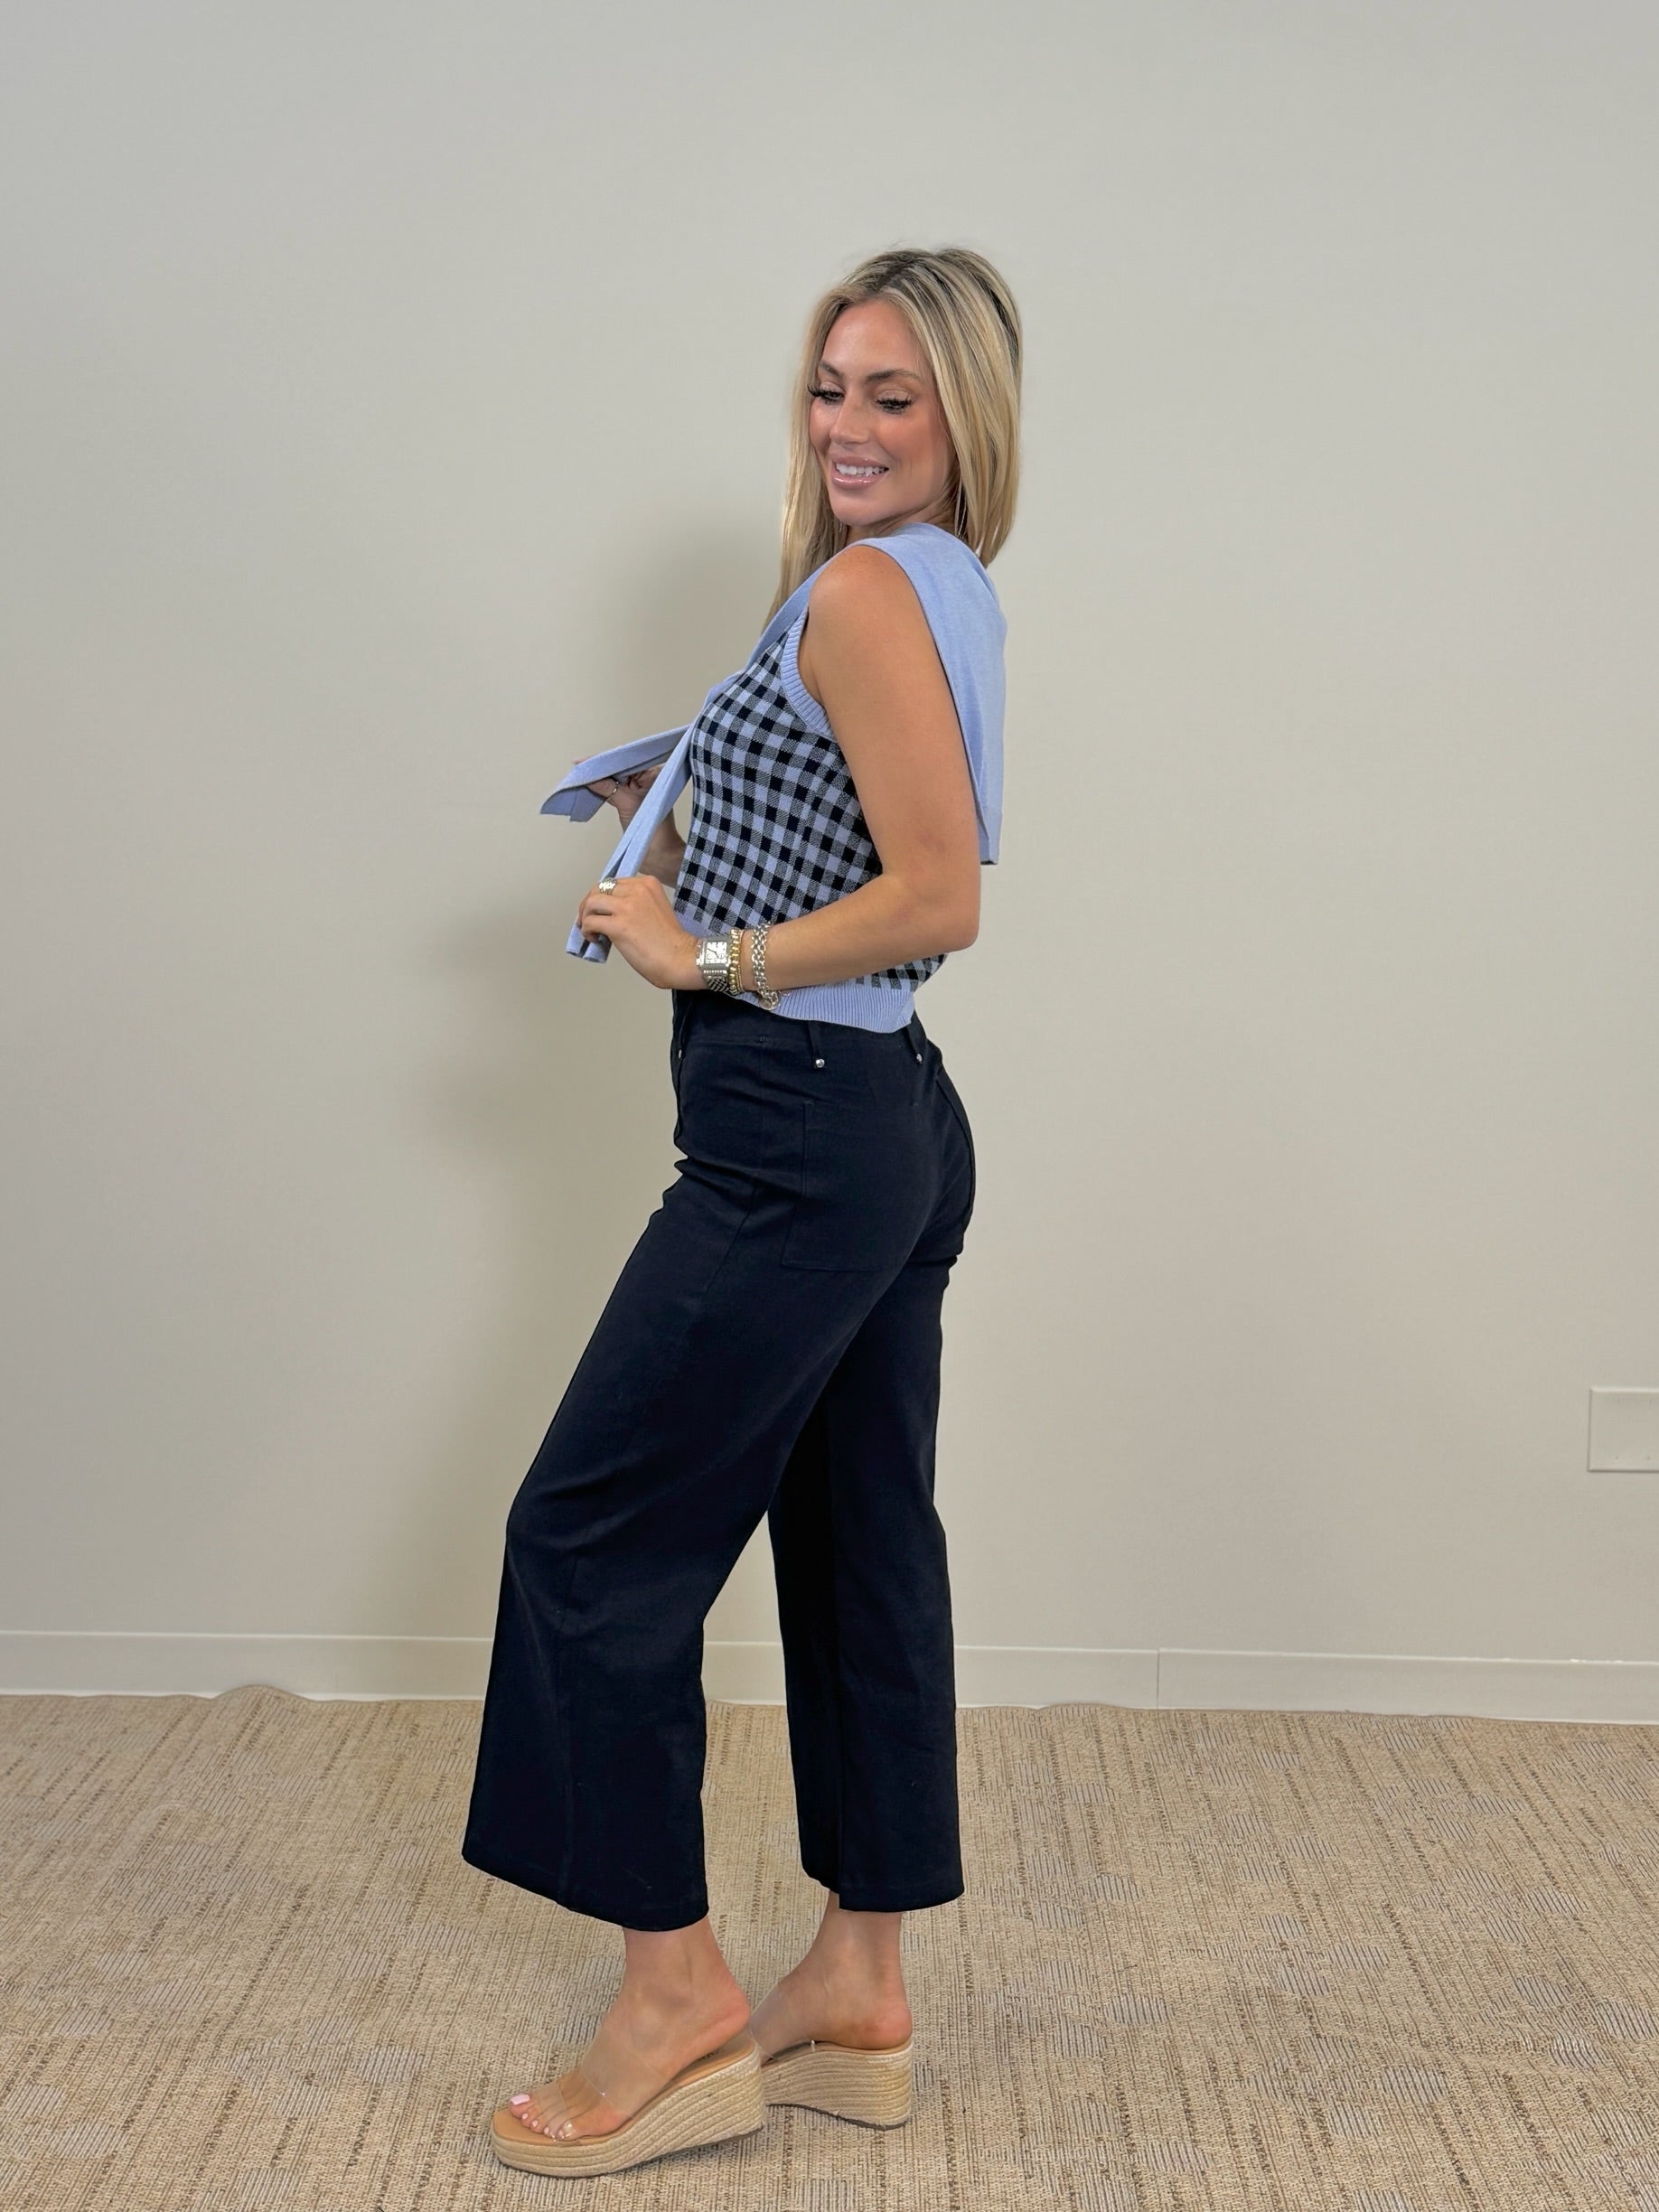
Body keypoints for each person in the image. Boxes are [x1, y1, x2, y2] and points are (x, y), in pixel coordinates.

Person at [463, 244, 1022, 2178]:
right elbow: (879, 838)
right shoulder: (935, 580)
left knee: (586, 1538)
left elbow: (940, 895)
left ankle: (675, 1999)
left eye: (894, 396)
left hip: (797, 1128)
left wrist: (696, 951)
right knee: (862, 1537)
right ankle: (858, 1983)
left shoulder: (865, 592)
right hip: (885, 1119)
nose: (849, 426)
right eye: (829, 386)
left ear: (963, 416)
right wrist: (692, 793)